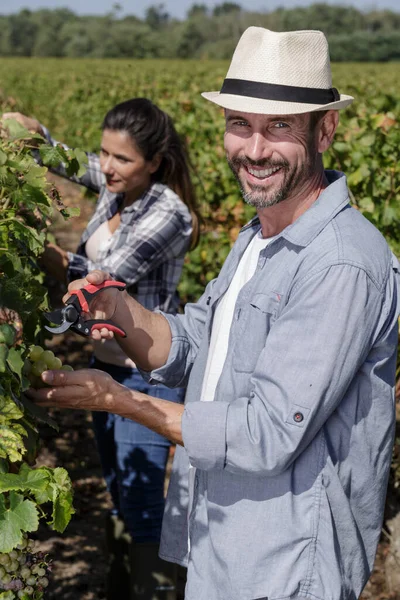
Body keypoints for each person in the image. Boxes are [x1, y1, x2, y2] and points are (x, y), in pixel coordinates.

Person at [28, 28, 399, 600]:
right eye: (239, 124)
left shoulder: (341, 264)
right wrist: (119, 307)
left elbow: (268, 432)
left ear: (325, 129)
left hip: (286, 568)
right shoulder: (260, 236)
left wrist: (117, 399)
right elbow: (203, 343)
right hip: (221, 544)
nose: (254, 150)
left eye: (279, 126)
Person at [3, 98, 200, 600]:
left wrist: (39, 249)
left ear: (153, 163)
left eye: (122, 159)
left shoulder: (169, 215)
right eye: (105, 154)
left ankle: (154, 590)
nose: (107, 167)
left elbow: (103, 285)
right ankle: (121, 585)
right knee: (117, 489)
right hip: (104, 363)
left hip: (146, 374)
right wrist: (33, 131)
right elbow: (74, 162)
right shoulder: (119, 188)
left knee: (142, 501)